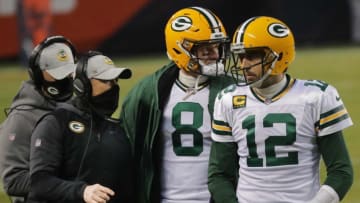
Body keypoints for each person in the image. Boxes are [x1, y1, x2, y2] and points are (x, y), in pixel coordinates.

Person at [208, 16, 354, 203]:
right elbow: (219, 175)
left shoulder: (315, 97)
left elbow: (341, 171)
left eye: (251, 56)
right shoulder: (227, 100)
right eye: (241, 56)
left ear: (279, 56)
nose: (243, 65)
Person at [120, 6, 233, 203]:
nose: (215, 55)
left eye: (216, 46)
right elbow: (128, 150)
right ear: (180, 49)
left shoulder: (234, 91)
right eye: (205, 49)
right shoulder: (149, 92)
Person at [29, 51, 134, 203]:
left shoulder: (117, 130)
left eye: (115, 81)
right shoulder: (56, 123)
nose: (113, 87)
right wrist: (82, 191)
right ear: (81, 84)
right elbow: (40, 183)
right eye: (106, 81)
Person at [0, 35, 77, 203]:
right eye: (57, 74)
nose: (64, 79)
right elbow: (13, 180)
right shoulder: (20, 120)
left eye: (68, 73)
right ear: (38, 74)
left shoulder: (75, 108)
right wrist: (68, 184)